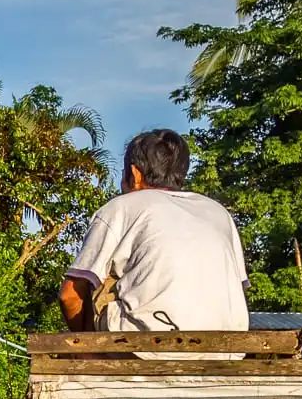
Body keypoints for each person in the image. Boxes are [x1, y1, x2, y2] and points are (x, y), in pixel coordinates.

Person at [60, 128, 248, 334]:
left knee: (97, 278)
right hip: (224, 349)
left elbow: (70, 296)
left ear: (135, 174)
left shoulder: (122, 207)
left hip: (146, 347)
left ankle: (90, 356)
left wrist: (85, 347)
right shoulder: (218, 212)